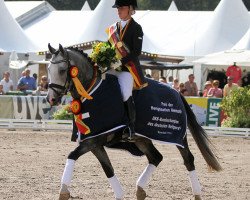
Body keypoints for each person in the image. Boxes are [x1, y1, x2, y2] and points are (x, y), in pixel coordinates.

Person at [106, 0, 147, 140]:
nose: (118, 10)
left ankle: (130, 127)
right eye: (117, 8)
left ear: (130, 9)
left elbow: (136, 52)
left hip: (127, 69)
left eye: (121, 8)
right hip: (112, 67)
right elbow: (108, 48)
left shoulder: (137, 28)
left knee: (125, 93)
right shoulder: (113, 28)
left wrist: (119, 62)